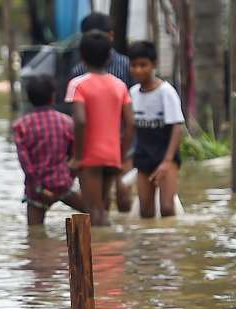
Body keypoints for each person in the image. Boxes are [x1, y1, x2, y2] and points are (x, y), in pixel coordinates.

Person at [66, 31, 134, 227]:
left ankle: (102, 253)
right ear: (109, 57)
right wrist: (121, 154)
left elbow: (79, 120)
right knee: (103, 207)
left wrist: (78, 156)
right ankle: (110, 253)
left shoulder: (77, 84)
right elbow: (131, 124)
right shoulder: (119, 85)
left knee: (93, 210)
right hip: (112, 156)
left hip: (89, 156)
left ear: (82, 56)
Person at [13, 74, 87, 226]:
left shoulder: (22, 126)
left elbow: (26, 165)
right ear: (53, 97)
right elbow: (76, 155)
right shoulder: (66, 122)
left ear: (29, 98)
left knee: (34, 235)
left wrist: (39, 189)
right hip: (63, 185)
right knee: (94, 214)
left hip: (37, 191)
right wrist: (68, 178)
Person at [126, 40, 184, 218]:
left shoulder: (166, 92)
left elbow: (177, 125)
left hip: (164, 156)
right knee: (146, 211)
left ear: (153, 65)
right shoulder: (133, 93)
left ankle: (168, 243)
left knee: (167, 208)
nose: (138, 70)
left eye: (143, 65)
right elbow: (130, 128)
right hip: (143, 156)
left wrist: (167, 161)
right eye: (134, 65)